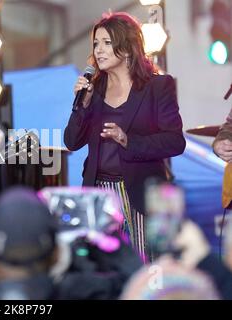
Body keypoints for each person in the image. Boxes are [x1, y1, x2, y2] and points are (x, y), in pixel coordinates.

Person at [64, 12, 186, 261]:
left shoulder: (157, 87)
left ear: (128, 48)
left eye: (107, 43)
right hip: (100, 192)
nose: (99, 50)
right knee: (105, 271)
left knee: (148, 268)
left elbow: (175, 141)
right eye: (96, 43)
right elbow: (71, 142)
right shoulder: (93, 90)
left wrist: (129, 141)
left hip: (143, 193)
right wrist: (82, 106)